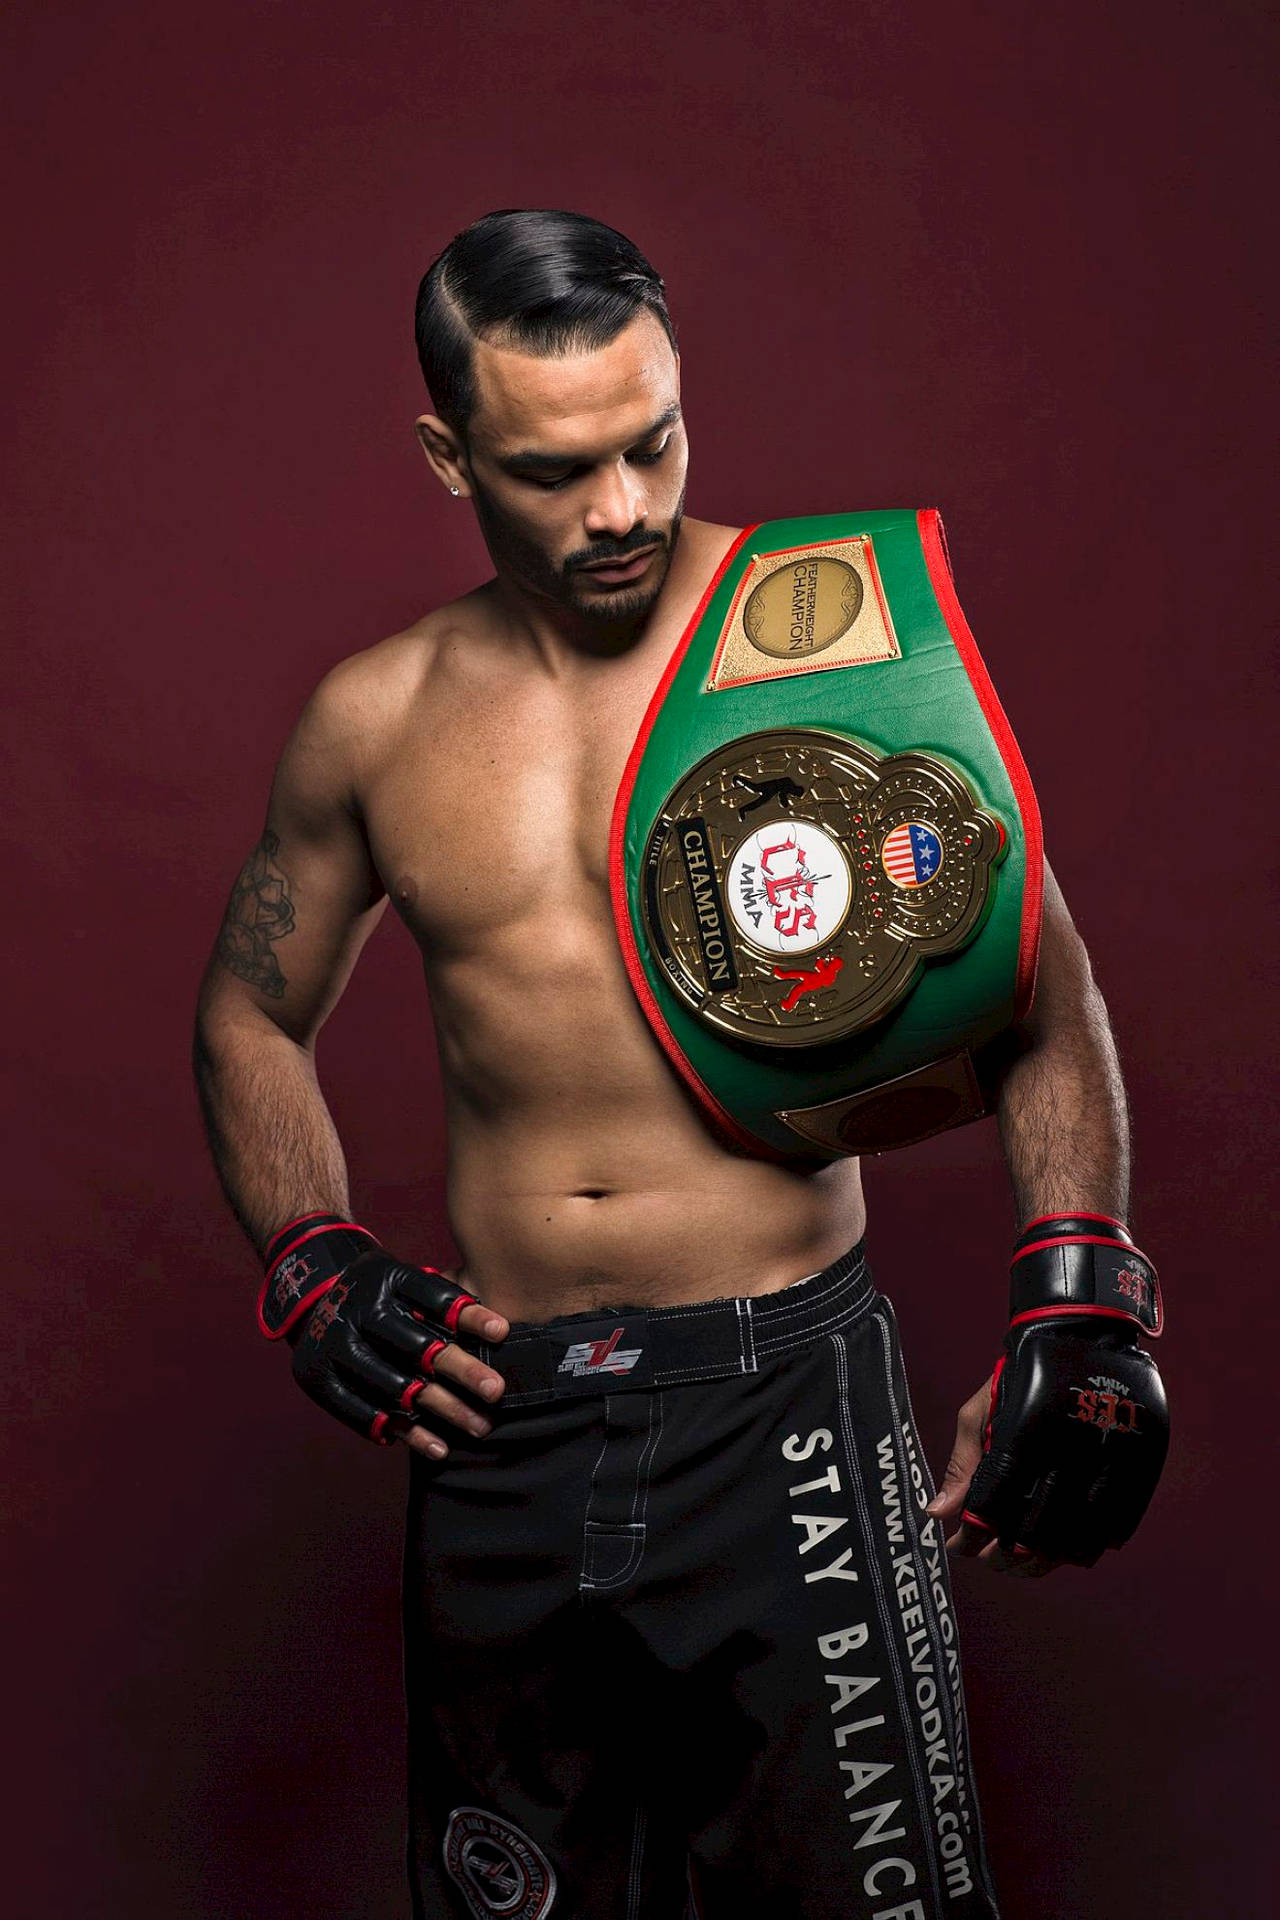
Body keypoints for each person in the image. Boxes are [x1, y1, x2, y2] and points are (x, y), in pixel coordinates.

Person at [194, 209, 1167, 1920]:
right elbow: (248, 1015)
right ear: (448, 455)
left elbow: (1044, 983)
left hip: (784, 1409)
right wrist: (313, 1260)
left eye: (654, 443)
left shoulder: (823, 643)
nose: (624, 508)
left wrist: (1084, 1295)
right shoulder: (376, 719)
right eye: (558, 470)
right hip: (497, 1423)